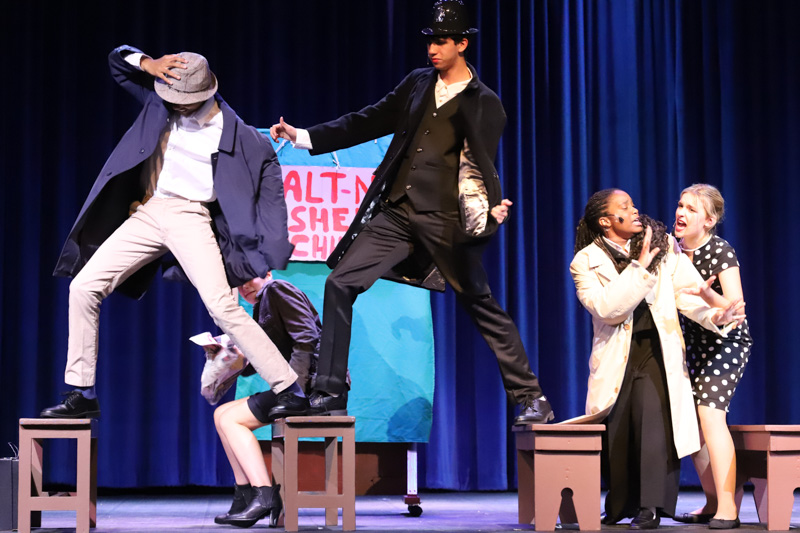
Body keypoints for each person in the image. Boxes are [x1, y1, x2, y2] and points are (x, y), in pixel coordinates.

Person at [268, 0, 552, 425]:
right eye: (430, 41)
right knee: (340, 283)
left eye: (442, 41)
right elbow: (367, 120)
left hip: (446, 223)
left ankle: (532, 398)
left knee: (481, 305)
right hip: (396, 214)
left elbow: (480, 167)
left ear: (462, 44)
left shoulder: (484, 103)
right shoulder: (419, 83)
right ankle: (329, 391)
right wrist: (304, 136)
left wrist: (489, 209)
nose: (432, 49)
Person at [41, 45, 305, 419]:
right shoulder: (159, 101)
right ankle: (82, 392)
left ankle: (288, 387)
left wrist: (273, 247)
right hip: (149, 212)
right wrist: (149, 64)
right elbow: (118, 62)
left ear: (206, 92)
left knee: (222, 306)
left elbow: (272, 189)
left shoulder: (242, 136)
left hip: (191, 216)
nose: (177, 106)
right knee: (83, 287)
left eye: (184, 101)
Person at [569, 189, 744, 529]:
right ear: (605, 221)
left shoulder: (663, 246)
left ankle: (651, 506)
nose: (635, 210)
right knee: (619, 429)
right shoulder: (585, 261)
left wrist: (715, 316)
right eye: (625, 207)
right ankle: (620, 505)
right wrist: (640, 266)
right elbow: (606, 309)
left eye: (634, 203)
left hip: (657, 348)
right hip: (617, 353)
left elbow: (688, 296)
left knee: (653, 426)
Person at [213, 273, 322, 528]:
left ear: (268, 274)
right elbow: (260, 359)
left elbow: (306, 337)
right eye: (239, 284)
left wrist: (296, 391)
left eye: (249, 278)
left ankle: (264, 495)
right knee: (220, 414)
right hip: (294, 386)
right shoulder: (262, 305)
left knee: (231, 420)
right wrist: (229, 358)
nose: (244, 286)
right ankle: (244, 496)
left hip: (309, 387)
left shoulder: (277, 289)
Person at [672, 184, 752, 530]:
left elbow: (736, 310)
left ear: (709, 220)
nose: (681, 213)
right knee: (691, 423)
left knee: (710, 414)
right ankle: (712, 499)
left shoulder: (720, 251)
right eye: (680, 205)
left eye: (691, 209)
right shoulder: (672, 251)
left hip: (726, 343)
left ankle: (729, 506)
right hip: (690, 346)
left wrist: (708, 295)